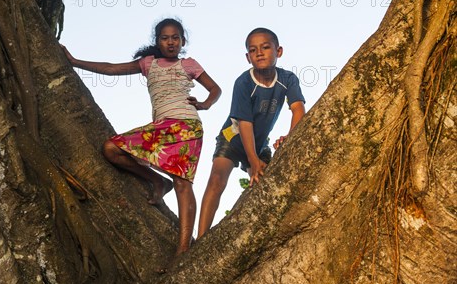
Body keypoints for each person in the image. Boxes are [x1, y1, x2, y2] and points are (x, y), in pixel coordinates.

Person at [62, 18, 221, 256]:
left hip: (187, 126)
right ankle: (158, 181)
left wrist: (205, 104)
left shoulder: (188, 64)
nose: (170, 42)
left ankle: (184, 248)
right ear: (157, 41)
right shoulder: (148, 64)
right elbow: (112, 68)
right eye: (165, 38)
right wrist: (75, 62)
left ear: (182, 41)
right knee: (111, 149)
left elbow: (215, 89)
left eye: (175, 38)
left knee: (182, 183)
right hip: (160, 126)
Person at [197, 27, 305, 238]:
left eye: (265, 47)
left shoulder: (288, 79)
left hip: (260, 141)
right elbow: (245, 124)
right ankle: (200, 237)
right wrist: (253, 160)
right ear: (248, 57)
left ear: (279, 51)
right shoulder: (244, 82)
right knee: (217, 180)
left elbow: (298, 109)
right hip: (234, 138)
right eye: (253, 50)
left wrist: (290, 138)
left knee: (267, 185)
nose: (260, 53)